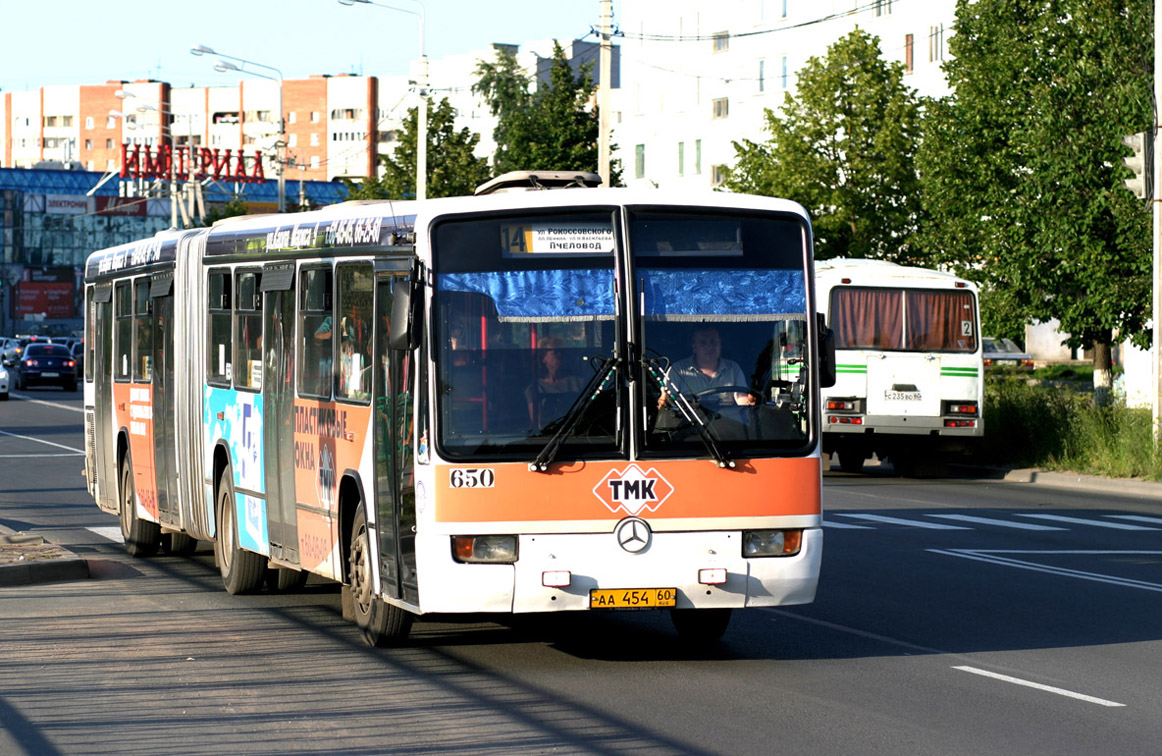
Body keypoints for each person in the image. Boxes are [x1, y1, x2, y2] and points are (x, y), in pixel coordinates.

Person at [664, 326, 755, 409]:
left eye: (713, 342)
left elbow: (742, 402)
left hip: (728, 424)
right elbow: (667, 403)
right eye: (703, 343)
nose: (709, 347)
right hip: (689, 424)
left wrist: (750, 402)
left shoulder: (733, 369)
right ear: (694, 347)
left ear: (720, 344)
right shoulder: (677, 370)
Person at [525, 337, 583, 428]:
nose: (559, 355)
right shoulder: (535, 388)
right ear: (543, 358)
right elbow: (538, 424)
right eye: (555, 352)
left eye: (562, 352)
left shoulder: (578, 383)